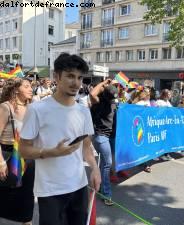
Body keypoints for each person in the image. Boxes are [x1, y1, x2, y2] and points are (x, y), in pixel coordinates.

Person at [19, 53, 101, 225]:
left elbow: (87, 147)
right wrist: (51, 152)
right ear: (56, 76)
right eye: (70, 76)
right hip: (50, 190)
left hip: (79, 187)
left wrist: (95, 169)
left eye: (79, 77)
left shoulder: (84, 111)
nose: (76, 83)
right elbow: (23, 149)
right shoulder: (37, 110)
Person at [0, 78, 34, 225]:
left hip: (28, 158)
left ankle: (27, 221)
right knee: (5, 196)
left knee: (27, 198)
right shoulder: (6, 107)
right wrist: (1, 162)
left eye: (31, 86)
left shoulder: (32, 108)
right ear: (16, 90)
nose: (31, 89)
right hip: (8, 156)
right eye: (26, 86)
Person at [90, 79, 118, 206]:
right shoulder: (98, 101)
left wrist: (111, 85)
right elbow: (92, 94)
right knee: (107, 163)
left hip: (107, 136)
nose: (114, 99)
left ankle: (100, 187)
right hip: (100, 136)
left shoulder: (112, 100)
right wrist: (103, 83)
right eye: (112, 96)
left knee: (104, 164)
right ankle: (106, 194)